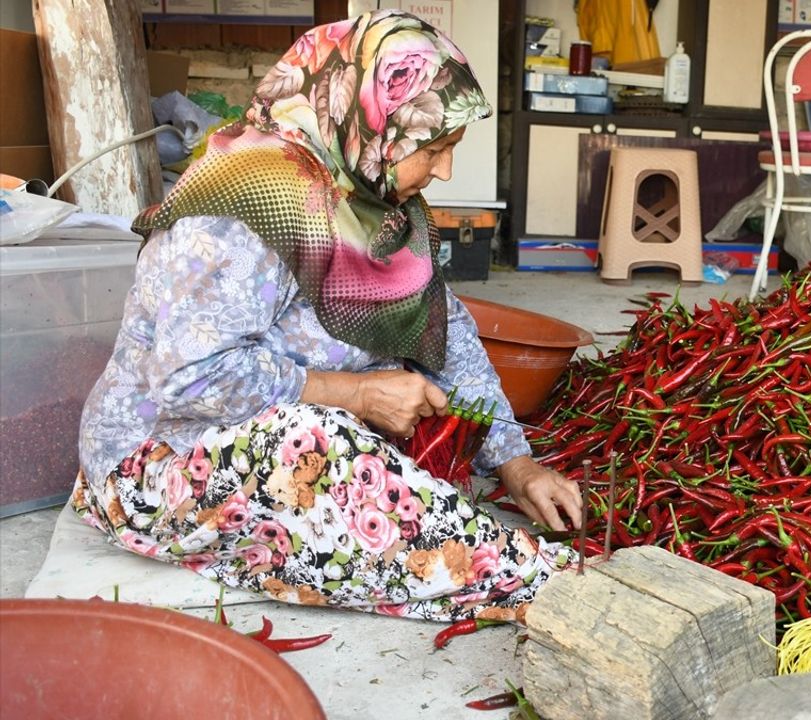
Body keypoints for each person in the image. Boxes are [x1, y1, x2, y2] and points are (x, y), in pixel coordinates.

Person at [74, 10, 583, 624]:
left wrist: (517, 464)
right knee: (318, 447)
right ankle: (533, 582)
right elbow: (189, 377)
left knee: (376, 437)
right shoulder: (242, 206)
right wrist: (359, 395)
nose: (444, 171)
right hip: (160, 465)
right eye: (435, 148)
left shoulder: (373, 200)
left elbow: (448, 339)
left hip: (268, 443)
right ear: (371, 122)